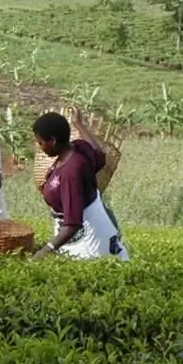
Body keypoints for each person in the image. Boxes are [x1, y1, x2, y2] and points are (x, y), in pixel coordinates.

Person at [31, 108, 129, 261]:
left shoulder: (71, 172)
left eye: (41, 142)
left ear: (53, 141)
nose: (40, 147)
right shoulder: (77, 148)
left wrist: (44, 251)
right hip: (90, 229)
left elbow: (73, 225)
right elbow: (99, 154)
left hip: (87, 240)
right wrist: (79, 125)